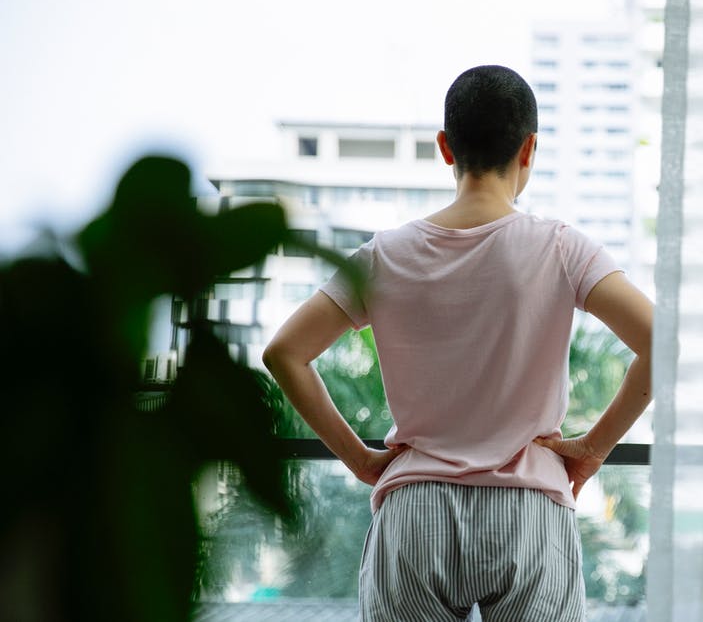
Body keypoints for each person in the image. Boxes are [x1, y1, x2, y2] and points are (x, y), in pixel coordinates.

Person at [261, 64, 654, 621]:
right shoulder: (563, 248)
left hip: (414, 508)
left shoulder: (384, 256)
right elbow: (663, 344)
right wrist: (592, 450)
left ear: (446, 147)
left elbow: (284, 353)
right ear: (529, 149)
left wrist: (361, 461)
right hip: (529, 510)